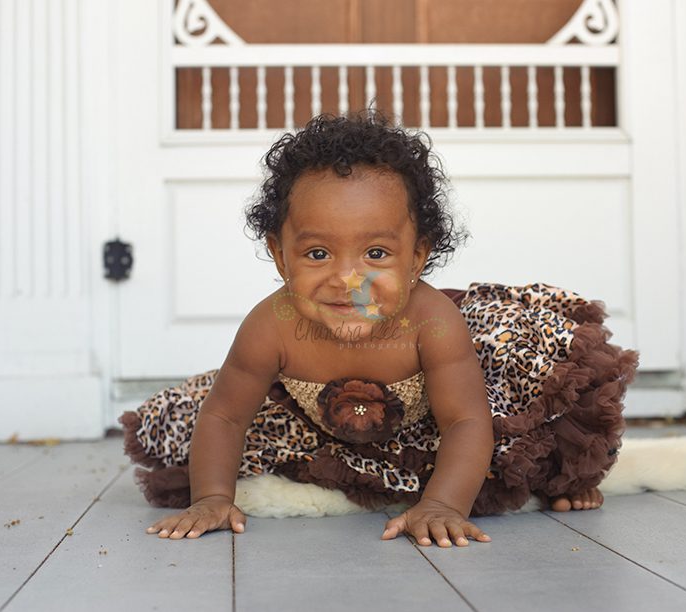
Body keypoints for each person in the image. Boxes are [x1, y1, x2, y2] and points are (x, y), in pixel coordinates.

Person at [120, 111, 638, 547]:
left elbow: (465, 421)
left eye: (375, 253)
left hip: (443, 421)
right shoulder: (271, 325)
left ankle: (563, 480)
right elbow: (226, 415)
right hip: (329, 425)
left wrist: (442, 504)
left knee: (535, 434)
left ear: (417, 257)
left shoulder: (431, 322)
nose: (348, 279)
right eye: (317, 253)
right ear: (280, 255)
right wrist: (212, 497)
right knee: (191, 429)